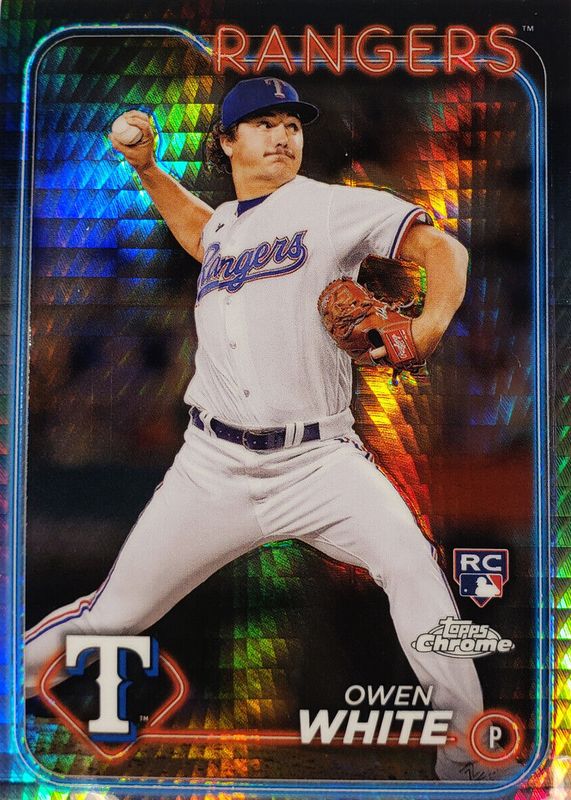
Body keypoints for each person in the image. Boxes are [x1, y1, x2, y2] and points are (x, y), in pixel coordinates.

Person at [26, 76, 492, 781]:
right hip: (212, 467)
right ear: (227, 141)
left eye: (291, 125)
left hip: (318, 462)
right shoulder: (225, 227)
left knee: (411, 566)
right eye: (264, 123)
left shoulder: (331, 206)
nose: (282, 135)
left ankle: (466, 755)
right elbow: (198, 231)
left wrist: (426, 328)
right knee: (112, 619)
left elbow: (445, 252)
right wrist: (147, 169)